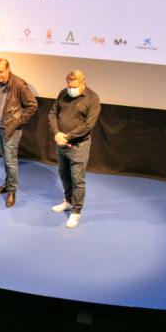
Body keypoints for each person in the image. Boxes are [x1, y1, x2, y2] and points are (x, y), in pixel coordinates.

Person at [47, 69, 101, 228]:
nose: (70, 89)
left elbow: (88, 125)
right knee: (64, 175)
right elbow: (52, 114)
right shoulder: (63, 93)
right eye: (68, 85)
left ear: (83, 82)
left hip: (79, 146)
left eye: (74, 86)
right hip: (61, 143)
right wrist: (57, 133)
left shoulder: (92, 98)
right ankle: (68, 201)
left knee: (77, 179)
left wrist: (67, 136)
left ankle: (76, 212)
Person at [0, 58, 37, 207]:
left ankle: (12, 191)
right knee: (6, 159)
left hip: (11, 129)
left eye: (0, 71)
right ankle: (8, 184)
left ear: (8, 69)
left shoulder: (19, 84)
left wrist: (18, 121)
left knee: (10, 161)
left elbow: (32, 105)